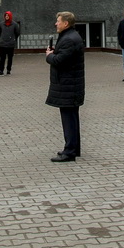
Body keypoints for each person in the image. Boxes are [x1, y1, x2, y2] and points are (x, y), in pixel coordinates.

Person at [46, 11, 85, 163]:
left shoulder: (69, 39)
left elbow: (60, 60)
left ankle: (70, 152)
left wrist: (49, 56)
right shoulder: (70, 37)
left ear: (66, 23)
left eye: (58, 21)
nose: (56, 23)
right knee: (71, 118)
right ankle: (73, 148)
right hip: (70, 86)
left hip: (68, 87)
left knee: (69, 119)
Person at [0, 10, 20, 76]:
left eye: (8, 16)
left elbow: (17, 33)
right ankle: (1, 71)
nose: (6, 17)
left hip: (10, 44)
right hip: (3, 44)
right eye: (5, 15)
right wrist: (2, 39)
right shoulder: (1, 24)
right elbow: (0, 32)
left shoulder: (15, 24)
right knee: (2, 58)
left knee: (10, 58)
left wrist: (13, 39)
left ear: (10, 16)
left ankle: (8, 70)